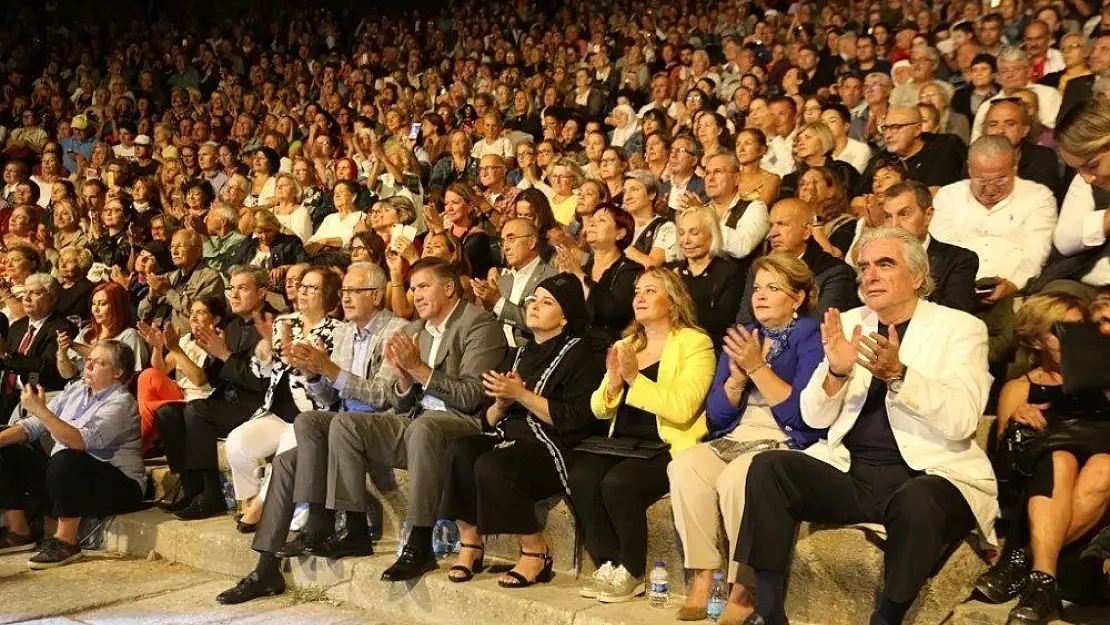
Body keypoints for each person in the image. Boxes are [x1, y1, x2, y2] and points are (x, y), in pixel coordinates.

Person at [735, 227, 998, 625]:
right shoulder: (850, 321)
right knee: (769, 468)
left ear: (917, 275)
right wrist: (837, 372)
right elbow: (814, 417)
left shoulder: (960, 329)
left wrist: (899, 375)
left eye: (884, 264)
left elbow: (962, 421)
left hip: (928, 473)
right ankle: (769, 612)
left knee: (919, 501)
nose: (869, 275)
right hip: (853, 473)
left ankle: (887, 618)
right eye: (863, 266)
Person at [214, 262, 410, 604]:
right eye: (345, 291)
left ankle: (319, 522)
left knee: (317, 429)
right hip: (341, 422)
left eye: (355, 291)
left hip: (381, 425)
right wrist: (315, 375)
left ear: (378, 296)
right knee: (291, 455)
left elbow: (383, 396)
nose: (346, 298)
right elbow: (328, 397)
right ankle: (266, 567)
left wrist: (329, 368)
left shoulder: (397, 330)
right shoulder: (349, 332)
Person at [324, 258, 506, 582]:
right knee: (345, 423)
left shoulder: (480, 325)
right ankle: (355, 529)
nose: (415, 295)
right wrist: (404, 381)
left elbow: (472, 397)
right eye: (411, 288)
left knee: (424, 427)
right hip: (417, 423)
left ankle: (420, 543)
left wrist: (420, 370)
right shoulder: (413, 330)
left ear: (449, 287)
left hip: (463, 424)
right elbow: (401, 402)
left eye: (423, 286)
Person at [669, 254, 825, 623]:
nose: (761, 295)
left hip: (784, 439)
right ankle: (704, 574)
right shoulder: (743, 332)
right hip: (738, 435)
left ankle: (744, 584)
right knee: (686, 466)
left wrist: (758, 368)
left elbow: (804, 415)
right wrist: (737, 379)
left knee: (741, 477)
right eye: (757, 288)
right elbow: (717, 416)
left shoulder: (810, 336)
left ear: (798, 298)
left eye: (774, 288)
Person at [439, 273, 607, 586]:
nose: (534, 306)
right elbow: (488, 420)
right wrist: (502, 404)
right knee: (459, 452)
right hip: (508, 437)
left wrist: (521, 395)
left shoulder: (582, 354)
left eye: (547, 302)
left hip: (552, 447)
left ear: (564, 316)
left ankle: (535, 552)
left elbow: (574, 419)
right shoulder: (516, 352)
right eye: (532, 300)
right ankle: (471, 544)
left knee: (494, 465)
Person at [572, 267, 715, 603]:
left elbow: (683, 408)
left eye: (651, 290)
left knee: (619, 483)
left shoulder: (696, 343)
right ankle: (607, 562)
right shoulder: (627, 343)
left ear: (674, 301)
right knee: (580, 476)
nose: (639, 297)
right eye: (637, 291)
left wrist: (636, 379)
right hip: (621, 442)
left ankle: (632, 570)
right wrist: (614, 384)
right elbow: (599, 408)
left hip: (666, 444)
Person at [975, 294, 1110, 625]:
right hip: (1040, 491)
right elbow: (1006, 465)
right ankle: (1044, 578)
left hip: (1100, 503)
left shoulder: (1104, 381)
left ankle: (1025, 563)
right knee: (1060, 457)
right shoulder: (1020, 387)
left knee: (1105, 465)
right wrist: (1017, 419)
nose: (1073, 341)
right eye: (1060, 331)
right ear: (1034, 338)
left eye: (1080, 331)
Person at [0, 340, 144, 569]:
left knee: (66, 459)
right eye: (89, 360)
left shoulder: (121, 403)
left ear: (118, 372)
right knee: (7, 446)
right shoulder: (76, 389)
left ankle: (67, 541)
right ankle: (19, 532)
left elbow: (79, 441)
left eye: (100, 363)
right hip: (69, 479)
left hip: (117, 485)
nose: (89, 366)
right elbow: (33, 426)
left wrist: (40, 410)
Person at [215, 267, 344, 522]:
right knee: (237, 443)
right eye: (302, 286)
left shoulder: (337, 332)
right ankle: (252, 499)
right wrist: (264, 355)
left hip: (312, 415)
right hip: (276, 411)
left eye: (312, 288)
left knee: (286, 451)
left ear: (328, 296)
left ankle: (261, 508)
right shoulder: (284, 323)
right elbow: (264, 372)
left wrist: (307, 363)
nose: (303, 292)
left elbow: (332, 388)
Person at [153, 266, 271, 518]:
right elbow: (210, 377)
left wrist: (223, 354)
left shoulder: (271, 325)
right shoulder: (234, 327)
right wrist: (179, 349)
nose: (234, 294)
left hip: (257, 406)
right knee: (167, 413)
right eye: (232, 288)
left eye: (242, 288)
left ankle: (212, 494)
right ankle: (191, 488)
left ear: (262, 293)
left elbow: (261, 381)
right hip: (226, 401)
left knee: (198, 410)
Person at [931, 136, 1058, 363]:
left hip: (1013, 294)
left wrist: (1013, 284)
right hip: (955, 295)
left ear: (1014, 166)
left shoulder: (1038, 197)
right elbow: (944, 252)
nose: (990, 189)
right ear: (969, 169)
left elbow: (1036, 252)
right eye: (981, 180)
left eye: (1000, 179)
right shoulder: (949, 196)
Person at [736, 199, 860, 325]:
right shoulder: (760, 269)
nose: (772, 234)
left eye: (782, 224)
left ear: (806, 231)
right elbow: (744, 322)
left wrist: (766, 343)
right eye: (771, 226)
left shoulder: (834, 273)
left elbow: (817, 328)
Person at [135, 297, 224, 457]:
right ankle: (145, 444)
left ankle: (137, 448)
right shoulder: (185, 339)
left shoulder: (219, 342)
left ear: (216, 319)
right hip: (179, 392)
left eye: (201, 312)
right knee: (147, 375)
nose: (193, 317)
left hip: (199, 401)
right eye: (192, 313)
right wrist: (158, 347)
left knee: (147, 408)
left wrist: (176, 349)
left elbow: (199, 380)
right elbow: (160, 370)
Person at [881, 181, 979, 313]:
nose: (894, 225)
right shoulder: (875, 261)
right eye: (888, 216)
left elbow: (955, 313)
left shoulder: (959, 260)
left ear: (928, 215)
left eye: (904, 214)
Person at [554, 203, 642, 342]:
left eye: (601, 220)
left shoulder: (632, 271)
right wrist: (564, 280)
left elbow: (613, 314)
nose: (592, 224)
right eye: (592, 220)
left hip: (607, 348)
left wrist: (578, 276)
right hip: (574, 345)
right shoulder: (583, 270)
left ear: (620, 233)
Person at [0, 274, 78, 422]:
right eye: (25, 292)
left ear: (52, 299)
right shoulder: (18, 326)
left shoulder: (61, 329)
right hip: (5, 393)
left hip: (37, 397)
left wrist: (6, 354)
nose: (26, 298)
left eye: (35, 293)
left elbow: (45, 368)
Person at [472, 218, 557, 347]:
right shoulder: (503, 280)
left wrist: (497, 301)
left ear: (532, 241)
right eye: (503, 241)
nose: (505, 247)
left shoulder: (550, 277)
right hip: (497, 348)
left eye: (511, 239)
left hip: (530, 351)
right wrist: (487, 304)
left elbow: (537, 322)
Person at [672, 205, 748, 348]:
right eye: (681, 233)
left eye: (694, 233)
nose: (685, 241)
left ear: (712, 235)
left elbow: (722, 321)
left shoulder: (731, 272)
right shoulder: (671, 272)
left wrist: (677, 306)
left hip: (710, 346)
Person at [139, 229, 225, 334]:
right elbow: (142, 314)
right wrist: (151, 298)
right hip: (158, 337)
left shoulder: (210, 278)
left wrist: (167, 291)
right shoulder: (168, 277)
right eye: (172, 247)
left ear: (197, 252)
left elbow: (200, 315)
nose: (174, 252)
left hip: (188, 341)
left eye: (180, 247)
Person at [701, 153, 771, 262]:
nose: (710, 178)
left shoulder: (755, 208)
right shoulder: (702, 210)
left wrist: (702, 217)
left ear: (737, 178)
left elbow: (743, 247)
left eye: (718, 172)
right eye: (707, 173)